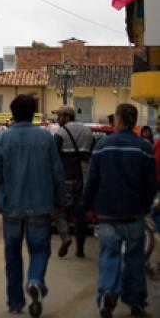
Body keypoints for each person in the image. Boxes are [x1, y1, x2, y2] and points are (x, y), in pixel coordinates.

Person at [0, 94, 66, 317]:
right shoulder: (46, 138)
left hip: (11, 206)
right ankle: (35, 280)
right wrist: (60, 201)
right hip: (40, 205)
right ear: (34, 113)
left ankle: (15, 302)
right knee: (40, 249)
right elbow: (57, 172)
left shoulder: (2, 139)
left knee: (12, 254)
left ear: (12, 113)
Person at [83, 103, 157, 318]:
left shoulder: (103, 146)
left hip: (107, 213)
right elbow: (151, 184)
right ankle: (136, 302)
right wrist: (145, 207)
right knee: (135, 258)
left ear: (118, 119)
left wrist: (87, 206)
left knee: (109, 255)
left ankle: (108, 292)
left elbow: (92, 180)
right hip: (134, 213)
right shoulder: (144, 148)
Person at [52, 105, 93, 258]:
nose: (58, 119)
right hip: (83, 178)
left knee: (59, 209)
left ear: (66, 116)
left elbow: (54, 158)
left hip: (66, 177)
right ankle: (80, 249)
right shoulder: (87, 131)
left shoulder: (61, 133)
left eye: (59, 116)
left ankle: (65, 236)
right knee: (80, 214)